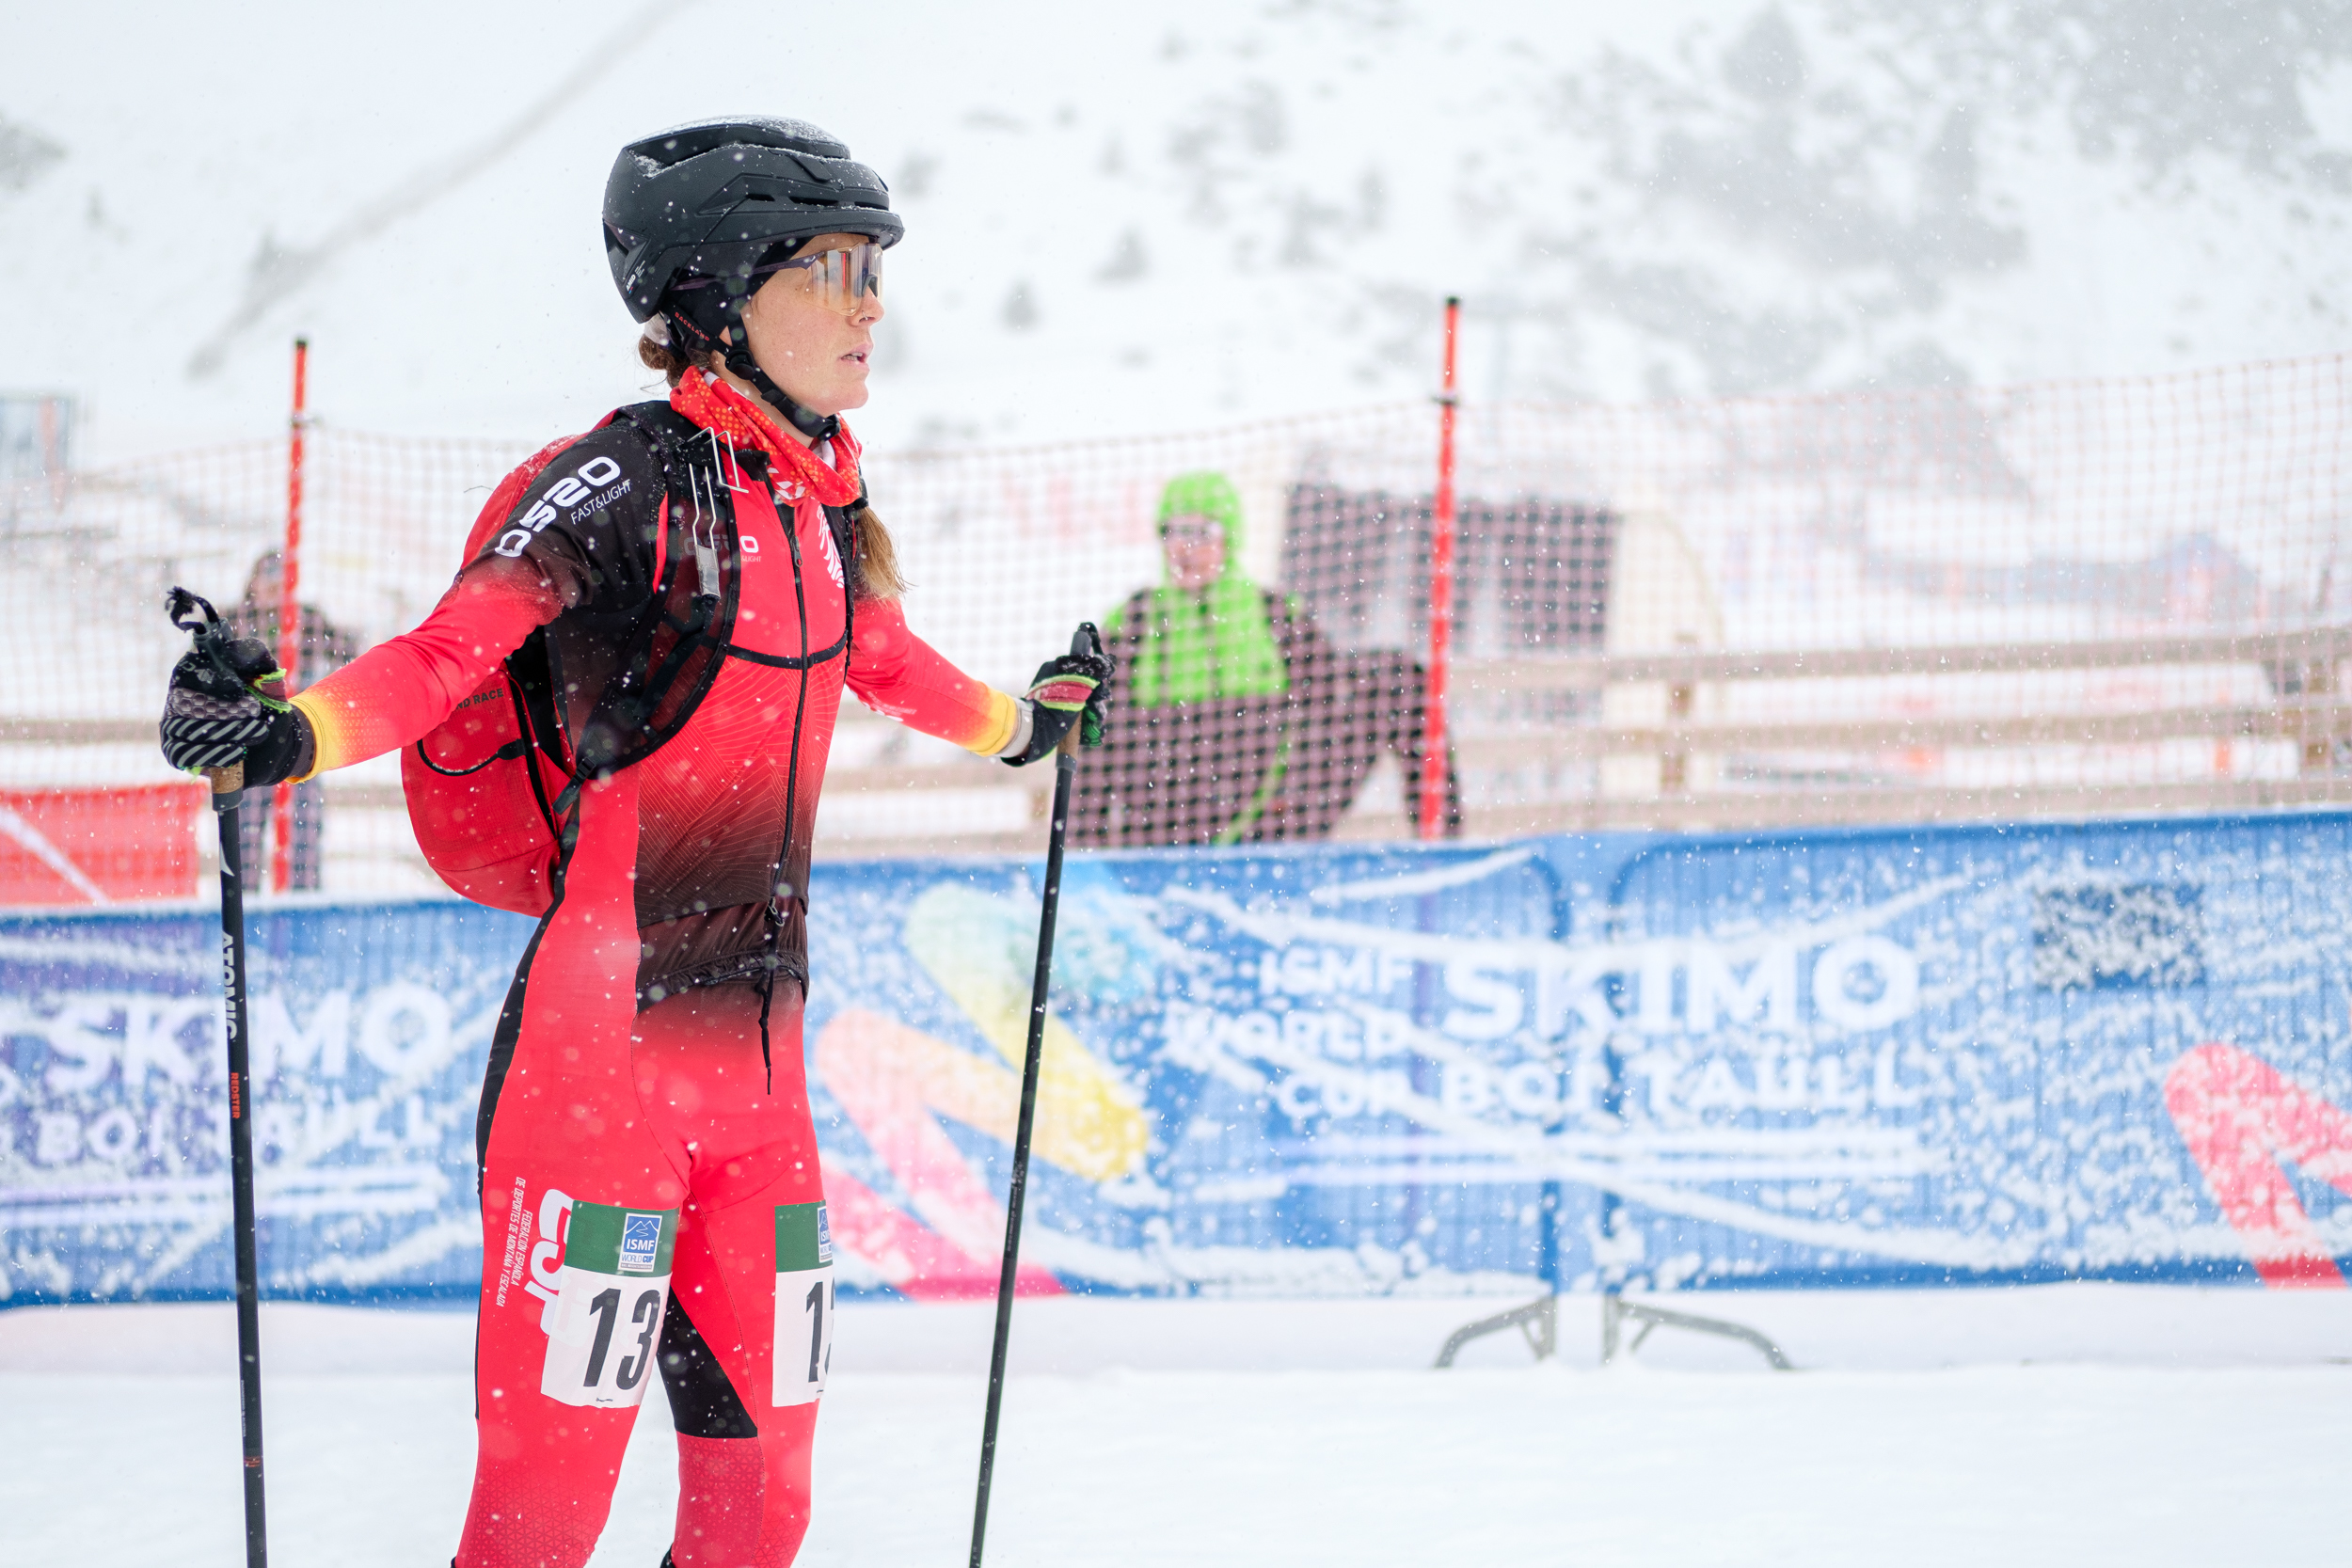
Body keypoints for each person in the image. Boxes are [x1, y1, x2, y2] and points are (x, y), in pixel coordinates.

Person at [159, 117, 1110, 1568]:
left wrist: (1030, 726)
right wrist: (285, 734)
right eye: (836, 269)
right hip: (594, 1079)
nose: (870, 305)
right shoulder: (621, 488)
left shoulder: (824, 507)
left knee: (763, 1511)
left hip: (762, 1092)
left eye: (876, 272)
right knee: (544, 1515)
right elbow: (441, 655)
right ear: (719, 294)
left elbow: (896, 662)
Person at [1070, 470, 1454, 847]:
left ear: (1229, 539)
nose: (1184, 548)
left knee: (1394, 678)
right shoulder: (1137, 618)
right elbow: (1094, 741)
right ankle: (1095, 869)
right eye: (1173, 531)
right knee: (1093, 708)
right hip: (1167, 819)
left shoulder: (1273, 613)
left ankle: (1441, 846)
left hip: (1270, 815)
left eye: (1202, 532)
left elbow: (1328, 694)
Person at [225, 549, 356, 889]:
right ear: (253, 583)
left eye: (281, 581)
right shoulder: (236, 621)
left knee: (304, 829)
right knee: (244, 833)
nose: (273, 588)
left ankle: (305, 900)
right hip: (249, 745)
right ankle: (242, 903)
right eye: (268, 580)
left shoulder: (307, 619)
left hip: (300, 741)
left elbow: (348, 650)